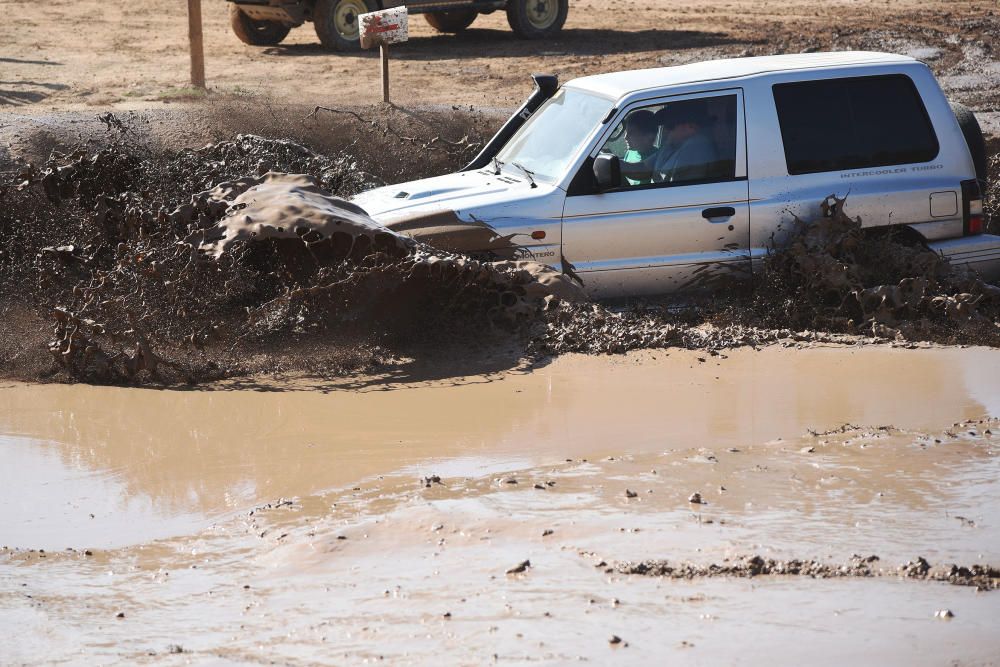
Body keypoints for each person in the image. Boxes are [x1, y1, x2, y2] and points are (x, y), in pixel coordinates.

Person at [652, 102, 720, 184]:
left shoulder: (696, 146)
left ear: (689, 126)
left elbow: (678, 188)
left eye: (669, 126)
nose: (666, 132)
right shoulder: (674, 146)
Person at [620, 110, 658, 186]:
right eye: (625, 132)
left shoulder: (658, 157)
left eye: (631, 133)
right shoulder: (630, 153)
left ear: (648, 136)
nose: (625, 137)